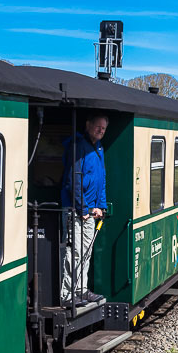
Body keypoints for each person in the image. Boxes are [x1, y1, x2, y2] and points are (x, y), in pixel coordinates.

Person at [60, 113, 108, 307]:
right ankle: (67, 294)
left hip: (90, 210)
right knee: (74, 252)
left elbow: (101, 180)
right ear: (88, 124)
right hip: (75, 209)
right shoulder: (78, 146)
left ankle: (81, 289)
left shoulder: (99, 148)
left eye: (104, 129)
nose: (101, 131)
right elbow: (74, 180)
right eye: (98, 127)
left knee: (86, 251)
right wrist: (83, 208)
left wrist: (101, 207)